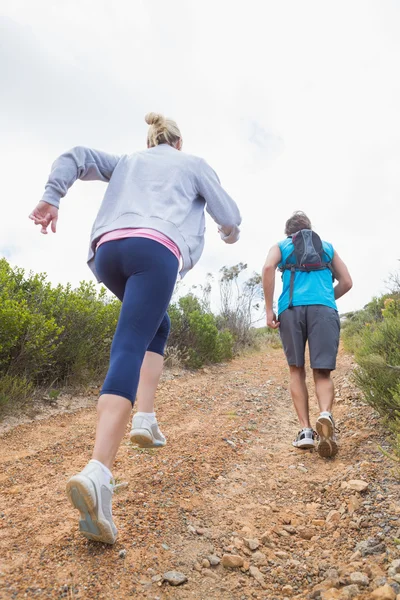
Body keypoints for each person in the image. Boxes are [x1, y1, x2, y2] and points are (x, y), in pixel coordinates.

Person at [29, 112, 241, 544]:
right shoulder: (193, 164)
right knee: (128, 344)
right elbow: (230, 214)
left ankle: (145, 418)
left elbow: (78, 155)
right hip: (154, 250)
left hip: (108, 253)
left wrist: (52, 197)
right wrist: (229, 232)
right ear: (178, 143)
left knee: (154, 326)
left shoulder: (127, 161)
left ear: (150, 142)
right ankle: (98, 473)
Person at [262, 211, 352, 458]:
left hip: (290, 310)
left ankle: (305, 431)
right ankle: (325, 414)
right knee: (322, 371)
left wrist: (269, 309)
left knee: (296, 369)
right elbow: (347, 282)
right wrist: (324, 298)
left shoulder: (282, 246)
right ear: (309, 229)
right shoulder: (326, 247)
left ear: (288, 232)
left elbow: (268, 266)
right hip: (324, 310)